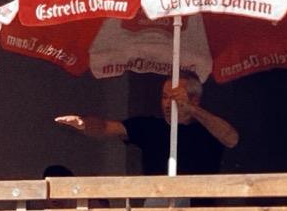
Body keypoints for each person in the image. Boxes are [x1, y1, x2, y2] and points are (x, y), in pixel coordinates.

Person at [55, 73, 239, 175]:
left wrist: (192, 110)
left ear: (194, 99)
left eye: (175, 98)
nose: (168, 103)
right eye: (165, 97)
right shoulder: (150, 127)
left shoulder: (208, 129)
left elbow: (231, 138)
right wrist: (83, 124)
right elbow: (106, 128)